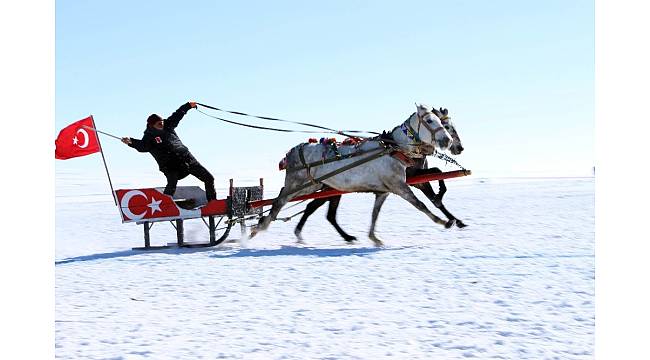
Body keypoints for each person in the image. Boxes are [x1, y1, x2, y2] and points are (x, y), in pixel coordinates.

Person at [122, 101, 217, 202]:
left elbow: (177, 115)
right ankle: (165, 205)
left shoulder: (168, 124)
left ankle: (212, 203)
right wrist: (131, 142)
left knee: (209, 178)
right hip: (170, 165)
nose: (162, 124)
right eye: (159, 123)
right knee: (172, 183)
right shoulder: (149, 136)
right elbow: (143, 147)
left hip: (187, 158)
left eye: (162, 121)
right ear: (152, 125)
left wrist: (188, 105)